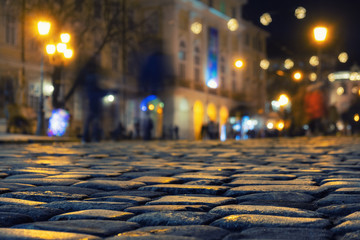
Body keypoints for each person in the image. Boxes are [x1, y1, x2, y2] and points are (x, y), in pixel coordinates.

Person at [80, 58, 107, 143]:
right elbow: (96, 91)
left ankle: (87, 137)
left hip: (91, 100)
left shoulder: (88, 77)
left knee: (91, 119)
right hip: (93, 101)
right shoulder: (92, 77)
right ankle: (93, 136)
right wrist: (106, 92)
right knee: (94, 119)